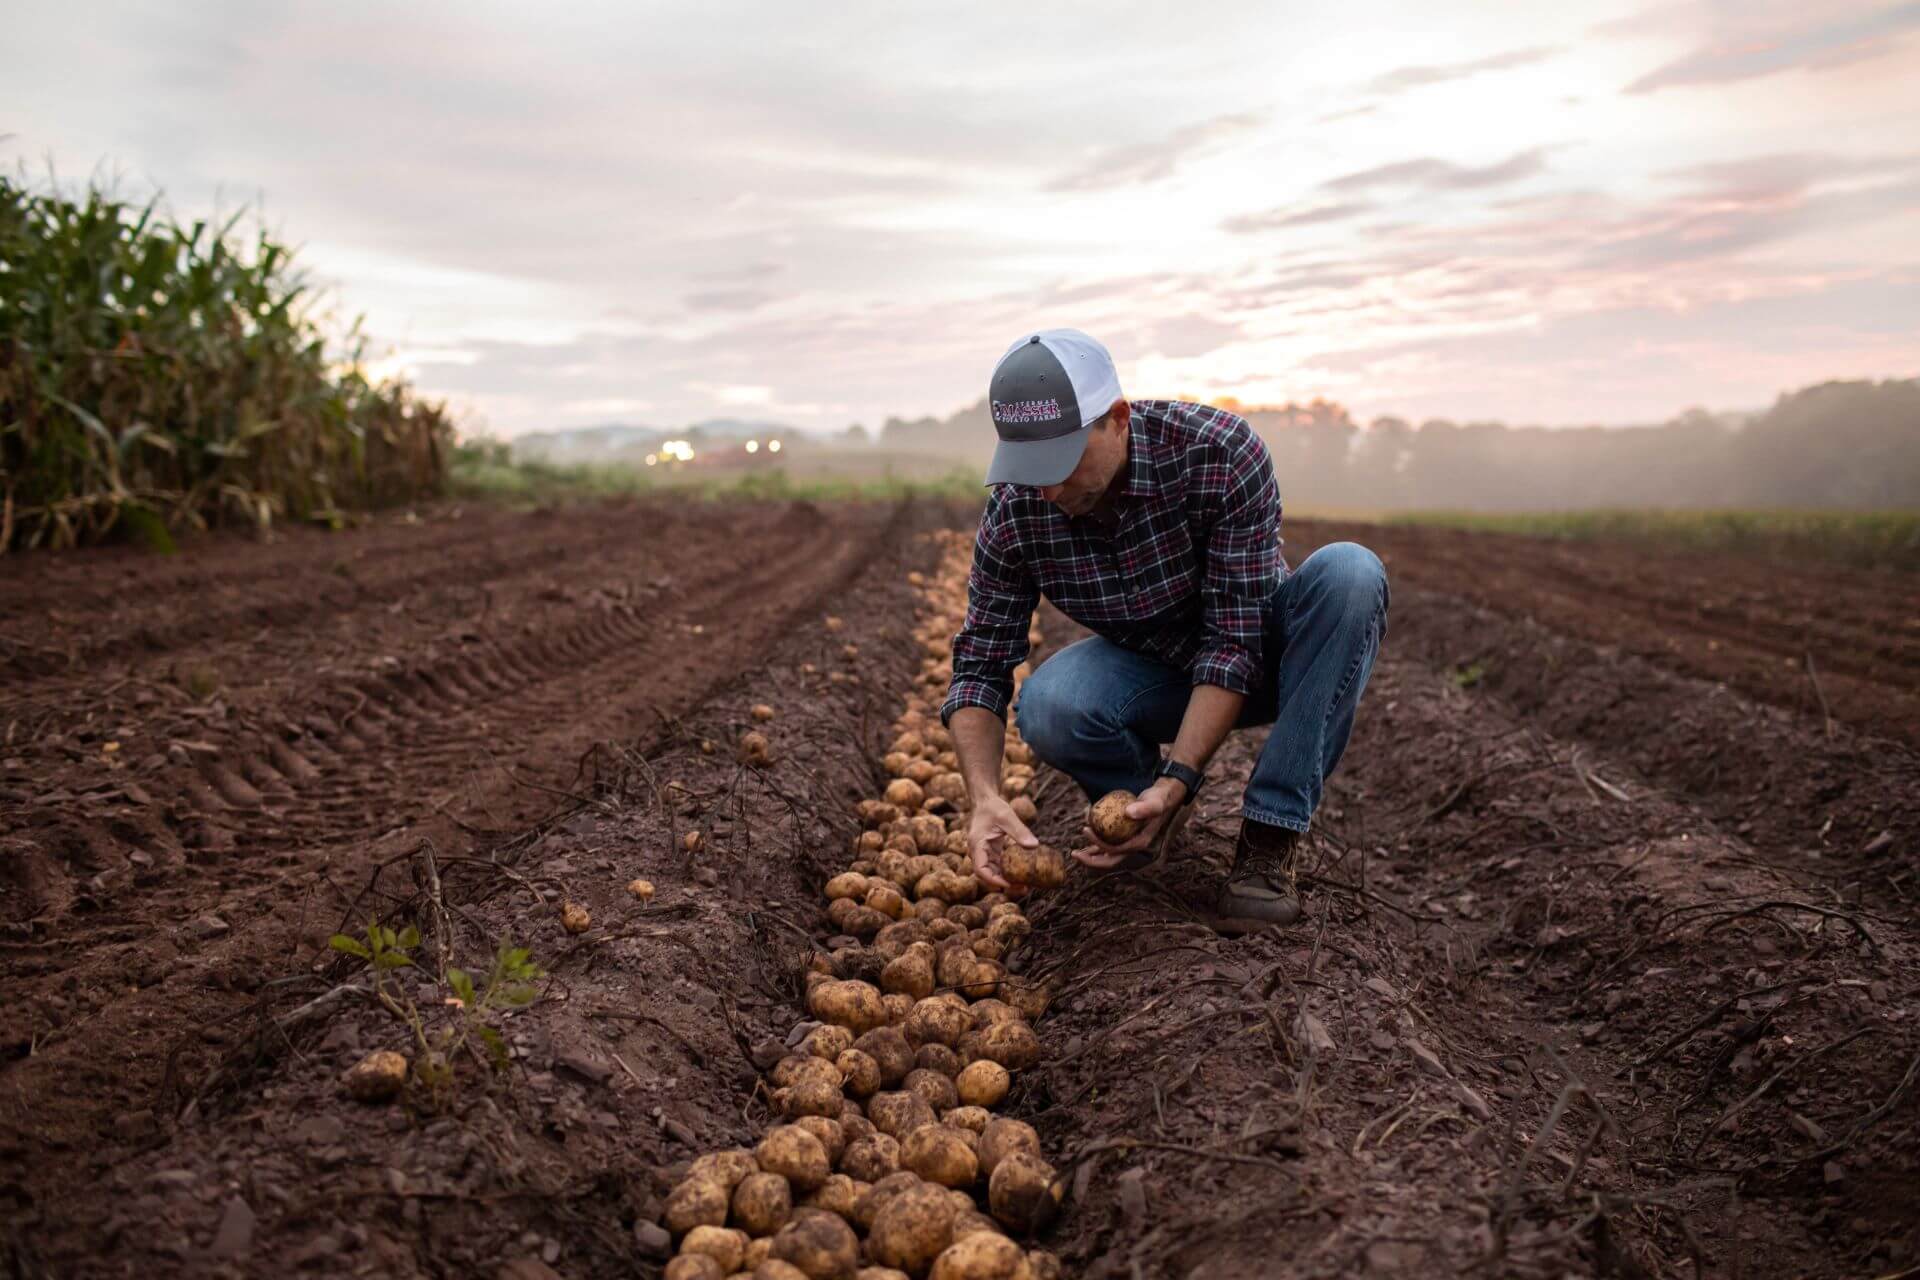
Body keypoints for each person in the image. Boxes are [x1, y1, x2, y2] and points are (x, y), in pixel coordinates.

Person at [943, 328, 1389, 932]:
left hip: (1267, 655)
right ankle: (1142, 811)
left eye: (1061, 462)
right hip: (1159, 675)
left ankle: (1268, 838)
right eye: (1028, 468)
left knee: (1351, 574)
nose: (1046, 490)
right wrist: (985, 796)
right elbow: (980, 666)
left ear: (1118, 419)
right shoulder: (1017, 510)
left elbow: (1235, 644)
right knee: (1050, 704)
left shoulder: (1217, 452)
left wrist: (1185, 771)